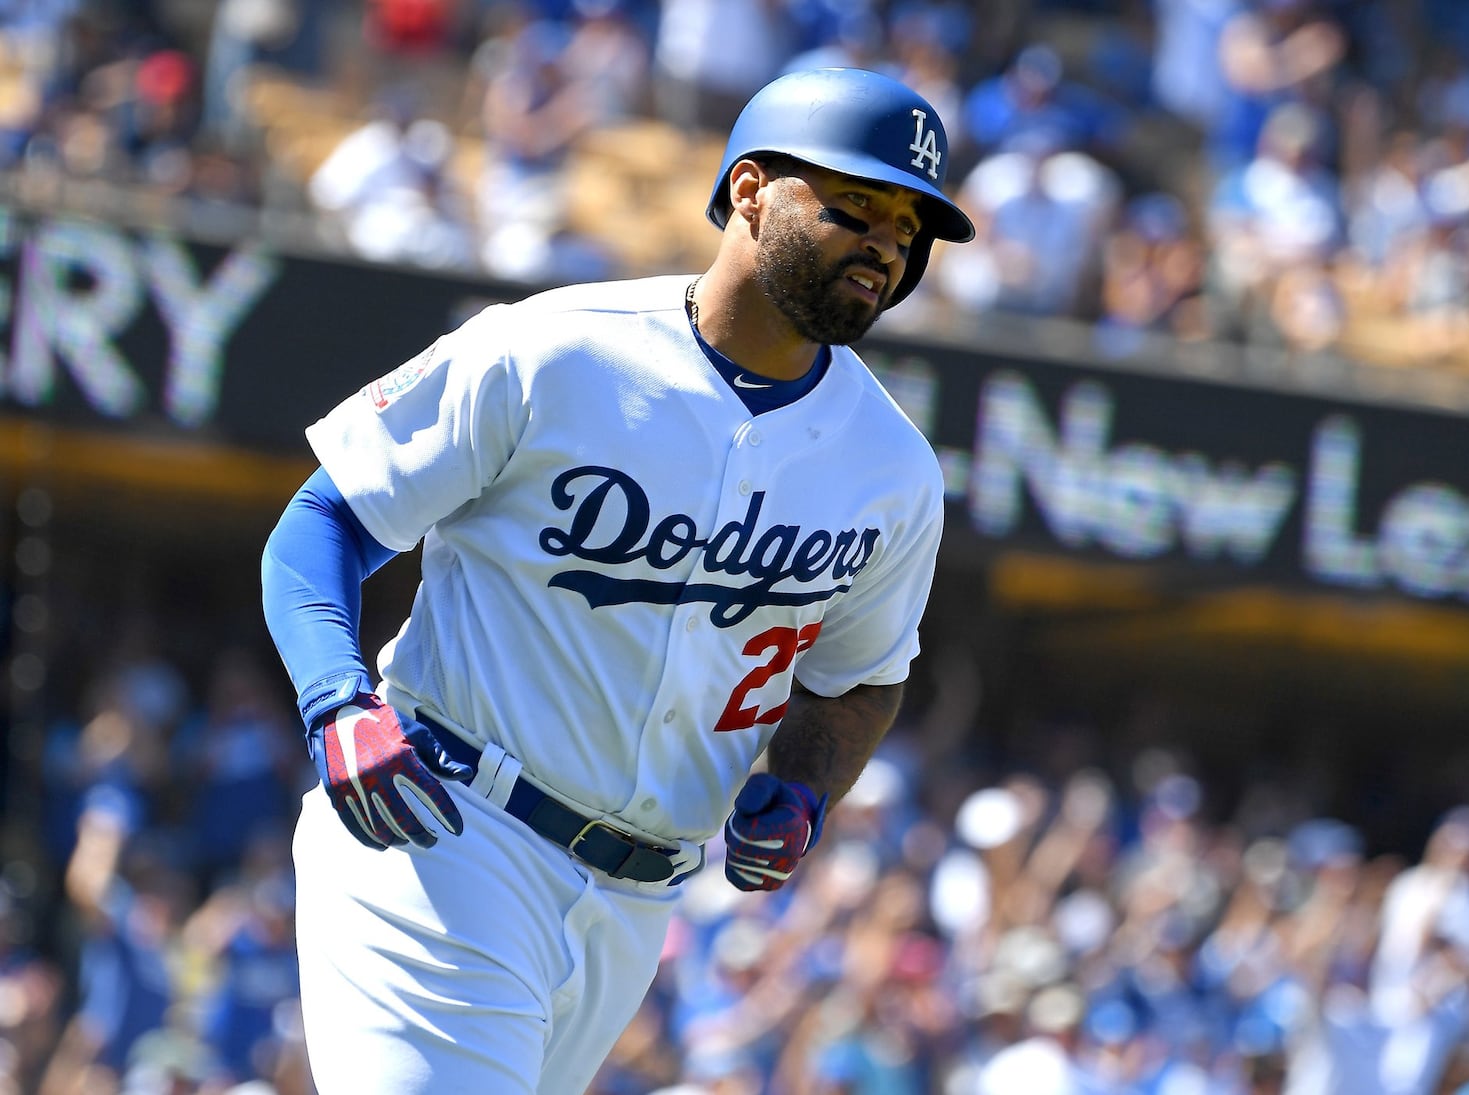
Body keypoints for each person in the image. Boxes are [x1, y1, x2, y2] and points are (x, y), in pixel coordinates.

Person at [259, 65, 974, 1094]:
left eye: (910, 230)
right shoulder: (555, 350)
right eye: (856, 208)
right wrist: (335, 697)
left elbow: (863, 677)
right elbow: (323, 521)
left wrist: (810, 783)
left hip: (639, 903)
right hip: (448, 829)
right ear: (748, 192)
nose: (886, 246)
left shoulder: (892, 469)